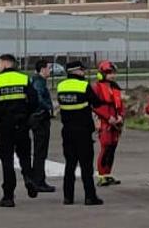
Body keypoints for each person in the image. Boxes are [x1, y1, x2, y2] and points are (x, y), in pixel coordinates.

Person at [0, 54, 39, 207]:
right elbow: (34, 100)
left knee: (7, 159)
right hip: (22, 123)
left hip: (5, 124)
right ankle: (29, 178)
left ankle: (8, 196)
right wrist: (26, 114)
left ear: (3, 63)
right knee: (25, 156)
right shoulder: (23, 79)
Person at [57, 61, 105, 206]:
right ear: (76, 71)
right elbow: (97, 103)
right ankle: (90, 197)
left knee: (70, 165)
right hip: (83, 130)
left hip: (67, 130)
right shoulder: (84, 85)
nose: (84, 73)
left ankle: (68, 197)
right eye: (82, 70)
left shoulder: (61, 86)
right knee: (86, 166)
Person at [93, 60, 125, 187]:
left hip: (115, 122)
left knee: (112, 148)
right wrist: (108, 117)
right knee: (105, 147)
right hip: (105, 122)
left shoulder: (115, 87)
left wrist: (120, 117)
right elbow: (96, 106)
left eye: (113, 73)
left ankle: (108, 174)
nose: (112, 75)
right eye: (109, 73)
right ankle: (101, 176)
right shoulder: (97, 88)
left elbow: (121, 105)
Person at [29, 60, 55, 193]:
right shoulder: (39, 82)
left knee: (40, 151)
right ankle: (38, 181)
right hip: (40, 119)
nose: (50, 71)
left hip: (37, 118)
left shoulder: (36, 80)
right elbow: (38, 98)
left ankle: (38, 179)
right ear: (42, 69)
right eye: (48, 68)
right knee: (40, 151)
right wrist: (49, 108)